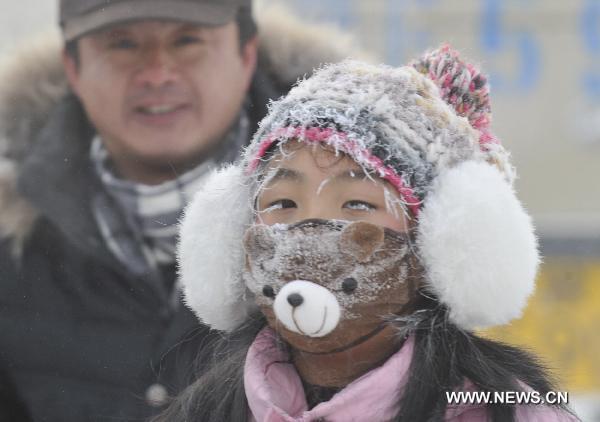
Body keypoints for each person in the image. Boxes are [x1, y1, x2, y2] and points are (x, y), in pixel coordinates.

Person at [163, 46, 579, 421]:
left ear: (437, 242)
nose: (308, 232)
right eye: (283, 204)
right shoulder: (203, 410)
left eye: (358, 205)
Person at [0, 0, 359, 420]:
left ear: (246, 55)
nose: (156, 73)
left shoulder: (373, 221)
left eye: (187, 40)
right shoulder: (12, 241)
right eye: (123, 43)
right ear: (73, 68)